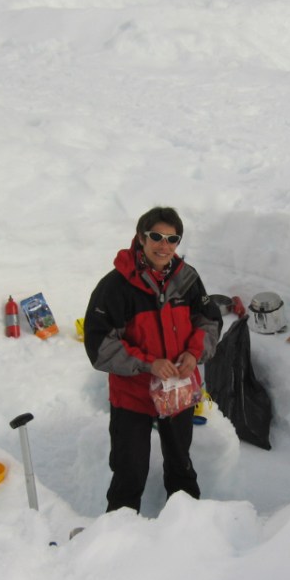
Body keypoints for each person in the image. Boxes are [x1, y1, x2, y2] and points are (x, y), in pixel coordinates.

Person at [84, 206, 222, 512]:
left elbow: (209, 321)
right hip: (132, 397)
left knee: (181, 464)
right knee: (129, 471)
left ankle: (187, 522)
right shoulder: (115, 286)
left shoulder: (187, 278)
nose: (164, 245)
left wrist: (193, 353)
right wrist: (149, 363)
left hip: (178, 392)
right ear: (141, 237)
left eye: (172, 239)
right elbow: (99, 346)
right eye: (156, 237)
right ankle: (120, 528)